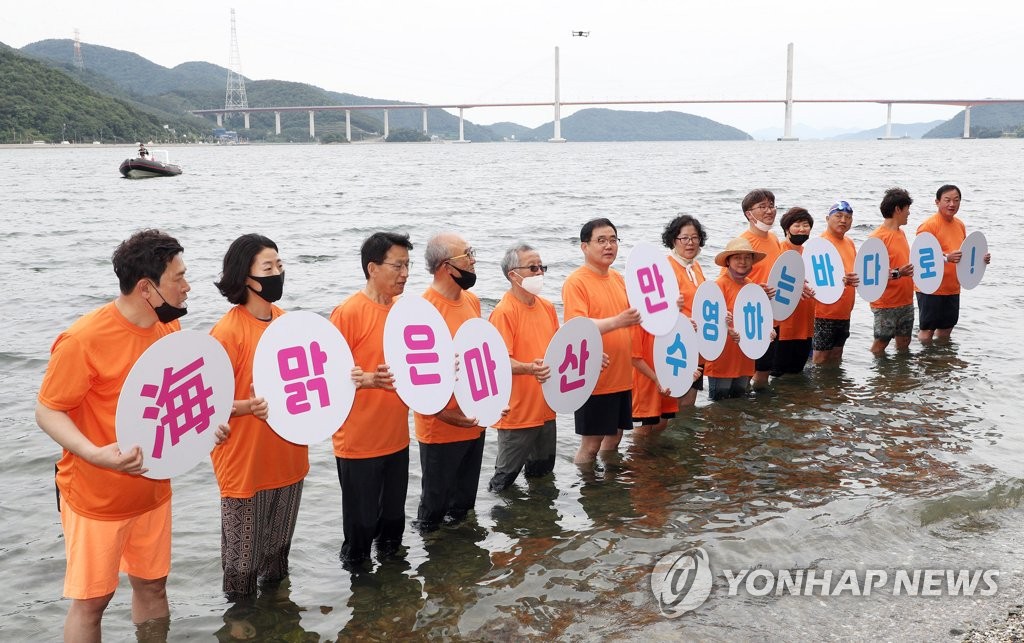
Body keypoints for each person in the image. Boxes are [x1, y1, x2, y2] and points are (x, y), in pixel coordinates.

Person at [35, 229, 221, 640]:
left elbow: (174, 405)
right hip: (95, 496)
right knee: (92, 603)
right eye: (179, 277)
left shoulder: (166, 332)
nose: (188, 286)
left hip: (152, 490)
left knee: (153, 585)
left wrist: (207, 424)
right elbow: (48, 410)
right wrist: (93, 453)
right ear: (146, 288)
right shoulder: (83, 340)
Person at [210, 234, 308, 599]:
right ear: (244, 277)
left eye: (280, 266)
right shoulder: (227, 333)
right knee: (241, 575)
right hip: (244, 467)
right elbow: (205, 406)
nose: (277, 273)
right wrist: (247, 407)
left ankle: (279, 625)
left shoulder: (289, 325)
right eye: (268, 268)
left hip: (290, 462)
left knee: (276, 567)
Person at [330, 232, 413, 567]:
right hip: (358, 443)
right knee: (361, 531)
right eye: (398, 265)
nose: (405, 273)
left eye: (408, 265)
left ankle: (393, 595)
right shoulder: (348, 313)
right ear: (372, 268)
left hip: (397, 439)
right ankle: (361, 600)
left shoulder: (404, 314)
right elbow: (327, 377)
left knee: (393, 527)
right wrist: (366, 379)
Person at [414, 232, 485, 531]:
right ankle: (434, 569)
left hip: (474, 419)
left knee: (464, 506)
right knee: (433, 510)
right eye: (467, 254)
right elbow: (415, 381)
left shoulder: (472, 301)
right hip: (440, 428)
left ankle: (463, 565)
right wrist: (446, 415)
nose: (473, 259)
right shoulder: (422, 310)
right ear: (446, 266)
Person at [562, 218, 641, 464]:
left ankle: (609, 486)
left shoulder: (617, 278)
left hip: (621, 374)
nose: (609, 246)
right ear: (585, 247)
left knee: (616, 436)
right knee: (591, 443)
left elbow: (637, 315)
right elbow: (577, 328)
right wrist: (617, 321)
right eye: (601, 241)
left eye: (613, 240)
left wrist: (672, 308)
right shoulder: (577, 281)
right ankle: (588, 490)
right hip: (595, 376)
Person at [487, 243, 559, 491]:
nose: (539, 272)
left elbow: (558, 351)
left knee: (542, 476)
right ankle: (502, 526)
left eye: (541, 267)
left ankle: (538, 524)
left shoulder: (547, 307)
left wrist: (588, 357)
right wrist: (529, 368)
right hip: (517, 414)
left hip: (547, 409)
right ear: (513, 275)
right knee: (503, 482)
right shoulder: (504, 312)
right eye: (532, 267)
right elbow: (498, 362)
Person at [916, 184, 991, 343]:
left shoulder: (960, 225)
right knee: (927, 330)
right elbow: (920, 256)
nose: (952, 204)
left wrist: (981, 260)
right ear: (937, 202)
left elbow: (965, 254)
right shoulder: (928, 225)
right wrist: (946, 258)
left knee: (947, 328)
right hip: (931, 287)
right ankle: (926, 360)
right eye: (947, 200)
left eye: (956, 200)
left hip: (953, 286)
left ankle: (943, 361)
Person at [727, 190, 784, 388]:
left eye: (771, 206)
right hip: (749, 318)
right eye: (762, 207)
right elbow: (726, 280)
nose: (769, 211)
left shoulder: (775, 239)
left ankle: (761, 413)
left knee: (764, 372)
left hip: (773, 317)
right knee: (747, 372)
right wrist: (755, 289)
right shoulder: (743, 242)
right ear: (748, 214)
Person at [704, 237, 766, 400]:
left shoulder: (751, 285)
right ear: (727, 261)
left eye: (747, 257)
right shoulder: (718, 286)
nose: (743, 262)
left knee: (740, 405)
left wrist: (768, 332)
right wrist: (727, 328)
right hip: (722, 360)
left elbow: (758, 319)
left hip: (745, 359)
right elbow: (708, 323)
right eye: (737, 257)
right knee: (720, 408)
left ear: (753, 261)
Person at [661, 214, 707, 408]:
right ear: (673, 240)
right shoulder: (665, 267)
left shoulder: (695, 267)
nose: (690, 243)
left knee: (689, 403)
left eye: (695, 238)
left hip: (696, 345)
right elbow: (656, 310)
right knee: (671, 405)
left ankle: (686, 439)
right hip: (675, 346)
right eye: (684, 238)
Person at [812, 200, 860, 364]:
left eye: (848, 217)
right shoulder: (819, 243)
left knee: (836, 356)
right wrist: (840, 280)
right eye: (838, 216)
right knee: (820, 358)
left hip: (844, 311)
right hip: (823, 312)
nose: (843, 220)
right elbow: (813, 278)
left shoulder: (850, 243)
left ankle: (834, 389)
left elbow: (854, 271)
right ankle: (815, 389)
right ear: (827, 218)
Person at [869, 188, 916, 354]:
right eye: (907, 209)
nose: (909, 213)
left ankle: (899, 378)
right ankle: (879, 379)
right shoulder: (877, 238)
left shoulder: (901, 233)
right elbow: (871, 276)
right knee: (880, 344)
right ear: (898, 209)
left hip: (906, 300)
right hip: (886, 303)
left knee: (904, 343)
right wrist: (898, 273)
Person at [773, 207, 816, 376]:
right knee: (777, 374)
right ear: (786, 229)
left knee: (796, 373)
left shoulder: (810, 254)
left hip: (805, 325)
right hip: (783, 326)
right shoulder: (778, 251)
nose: (802, 229)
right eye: (797, 225)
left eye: (806, 225)